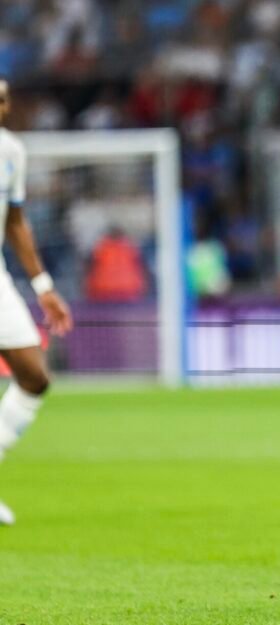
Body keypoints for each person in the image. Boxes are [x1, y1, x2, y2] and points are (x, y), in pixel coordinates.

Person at [0, 79, 74, 525]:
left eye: (3, 98)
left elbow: (16, 221)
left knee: (33, 375)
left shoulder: (11, 152)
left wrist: (43, 285)